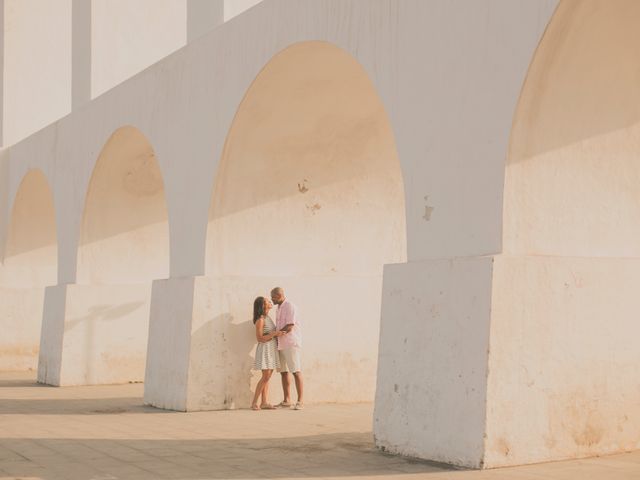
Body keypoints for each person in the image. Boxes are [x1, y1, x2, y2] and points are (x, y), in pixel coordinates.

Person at [270, 287, 304, 410]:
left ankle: (300, 401)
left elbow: (290, 325)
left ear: (279, 296)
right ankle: (287, 400)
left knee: (296, 371)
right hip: (280, 344)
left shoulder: (290, 306)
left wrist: (276, 334)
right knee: (284, 373)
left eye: (273, 298)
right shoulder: (278, 308)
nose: (271, 300)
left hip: (290, 343)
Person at [251, 296, 284, 411]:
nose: (270, 302)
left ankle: (264, 402)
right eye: (267, 301)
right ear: (263, 305)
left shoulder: (268, 317)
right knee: (265, 376)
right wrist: (274, 334)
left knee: (267, 377)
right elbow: (259, 338)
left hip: (271, 349)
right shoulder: (261, 319)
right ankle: (255, 402)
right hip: (265, 349)